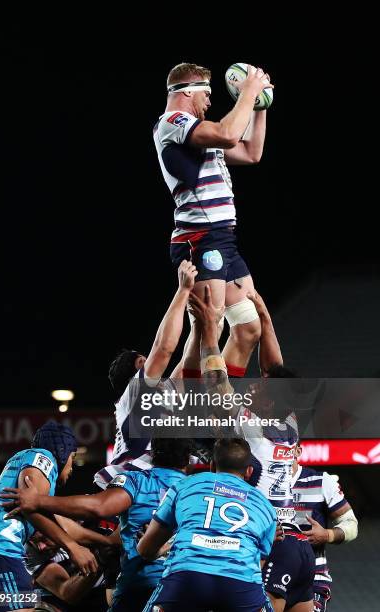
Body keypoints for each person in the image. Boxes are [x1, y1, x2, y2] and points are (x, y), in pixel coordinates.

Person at [187, 289, 316, 611]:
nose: (255, 383)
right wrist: (265, 317)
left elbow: (216, 383)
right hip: (297, 548)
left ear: (270, 398)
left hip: (268, 541)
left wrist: (207, 330)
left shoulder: (252, 429)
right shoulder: (290, 424)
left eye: (260, 386)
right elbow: (276, 369)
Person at [154, 62, 274, 379]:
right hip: (200, 239)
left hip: (224, 239)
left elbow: (251, 152)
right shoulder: (172, 122)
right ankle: (175, 412)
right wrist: (248, 91)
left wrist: (261, 104)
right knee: (208, 329)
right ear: (188, 90)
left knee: (249, 328)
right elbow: (228, 132)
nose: (209, 101)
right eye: (206, 94)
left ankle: (216, 406)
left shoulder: (203, 135)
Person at [0, 438, 193, 612]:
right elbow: (68, 593)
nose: (40, 545)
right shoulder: (197, 490)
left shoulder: (103, 510)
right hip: (179, 587)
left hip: (137, 588)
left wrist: (38, 501)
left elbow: (96, 508)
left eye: (41, 533)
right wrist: (100, 557)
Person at [138, 438, 276, 611]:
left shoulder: (184, 485)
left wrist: (161, 550)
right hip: (240, 586)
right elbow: (258, 563)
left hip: (185, 578)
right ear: (249, 471)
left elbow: (145, 549)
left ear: (212, 465)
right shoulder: (266, 506)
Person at [0, 421, 97, 612]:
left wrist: (106, 542)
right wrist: (73, 547)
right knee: (25, 604)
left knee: (26, 601)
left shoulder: (19, 463)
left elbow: (64, 526)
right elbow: (30, 506)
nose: (72, 467)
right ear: (63, 451)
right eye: (73, 457)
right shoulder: (43, 457)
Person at [100, 259, 197, 483]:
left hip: (160, 483)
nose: (153, 366)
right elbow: (163, 349)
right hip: (134, 486)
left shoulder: (161, 395)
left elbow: (188, 361)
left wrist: (205, 320)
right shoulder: (133, 394)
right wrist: (183, 290)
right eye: (144, 361)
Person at [292, 443, 358, 611]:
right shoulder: (258, 483)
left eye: (284, 447)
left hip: (312, 579)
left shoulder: (321, 481)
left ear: (298, 451)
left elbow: (351, 524)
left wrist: (328, 535)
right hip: (268, 577)